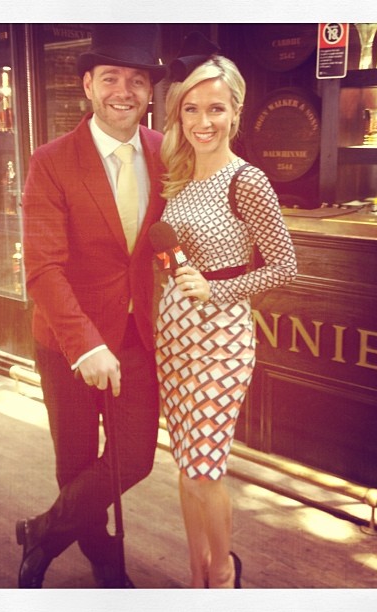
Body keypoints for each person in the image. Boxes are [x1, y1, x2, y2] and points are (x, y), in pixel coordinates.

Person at [17, 24, 167, 588]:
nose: (123, 91)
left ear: (149, 91)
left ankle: (42, 532)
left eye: (136, 80)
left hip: (138, 336)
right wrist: (86, 346)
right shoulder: (52, 161)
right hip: (68, 341)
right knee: (76, 461)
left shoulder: (166, 153)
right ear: (88, 85)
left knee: (135, 458)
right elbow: (42, 268)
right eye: (110, 78)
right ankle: (101, 551)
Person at [155, 32, 297, 588]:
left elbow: (284, 266)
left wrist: (217, 290)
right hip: (174, 335)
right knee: (184, 464)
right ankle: (196, 575)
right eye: (191, 108)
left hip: (222, 340)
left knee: (204, 468)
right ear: (179, 113)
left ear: (236, 111)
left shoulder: (247, 180)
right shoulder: (178, 174)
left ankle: (221, 577)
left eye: (215, 108)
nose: (203, 121)